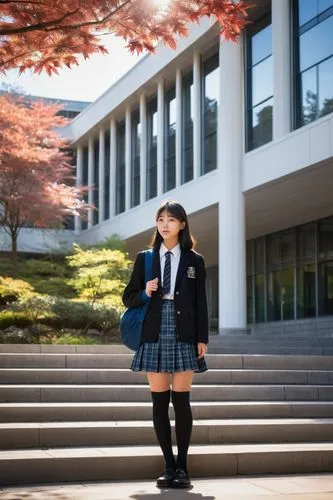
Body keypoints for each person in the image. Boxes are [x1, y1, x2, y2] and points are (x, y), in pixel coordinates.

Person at [122, 200, 209, 489]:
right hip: (154, 330)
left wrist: (202, 338)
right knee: (159, 402)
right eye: (161, 219)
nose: (165, 224)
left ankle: (183, 468)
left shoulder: (194, 260)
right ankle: (168, 465)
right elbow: (128, 297)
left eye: (171, 219)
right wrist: (145, 292)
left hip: (184, 330)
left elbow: (201, 302)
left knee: (181, 400)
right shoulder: (145, 258)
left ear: (182, 224)